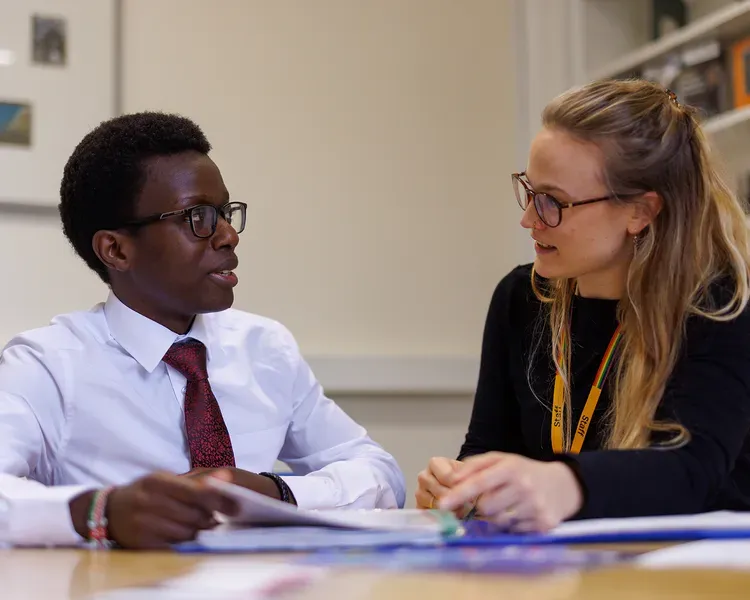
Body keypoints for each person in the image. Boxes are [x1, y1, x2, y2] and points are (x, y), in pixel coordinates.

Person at [0, 112, 405, 549]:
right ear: (115, 249)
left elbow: (380, 473)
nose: (228, 235)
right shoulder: (48, 365)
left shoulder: (264, 348)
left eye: (225, 213)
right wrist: (103, 512)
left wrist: (273, 491)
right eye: (199, 217)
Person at [416, 79, 750, 532]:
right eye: (529, 191)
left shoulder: (721, 306)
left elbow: (692, 471)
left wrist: (565, 483)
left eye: (554, 201)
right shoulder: (521, 297)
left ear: (640, 212)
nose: (529, 218)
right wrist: (463, 486)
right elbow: (488, 444)